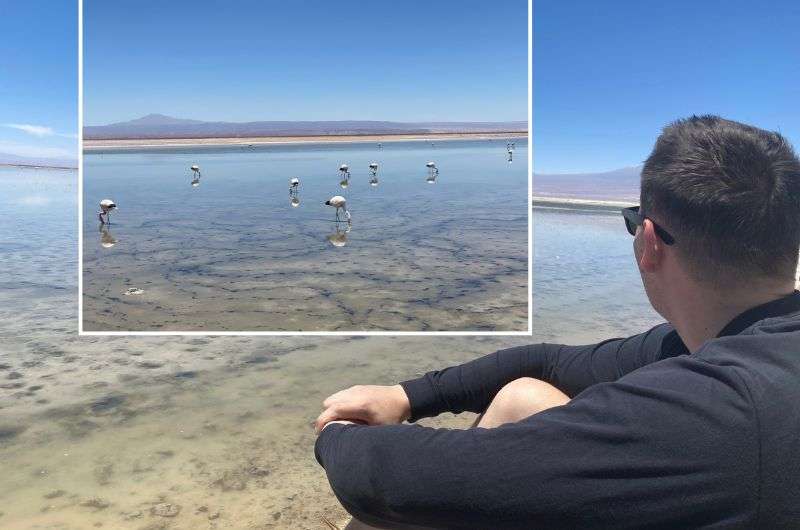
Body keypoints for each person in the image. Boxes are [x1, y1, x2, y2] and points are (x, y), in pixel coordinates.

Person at [313, 116, 800, 529]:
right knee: (524, 393)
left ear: (649, 241)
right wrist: (409, 395)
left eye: (632, 220)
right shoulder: (733, 346)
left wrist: (335, 433)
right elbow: (546, 361)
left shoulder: (709, 413)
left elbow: (389, 481)